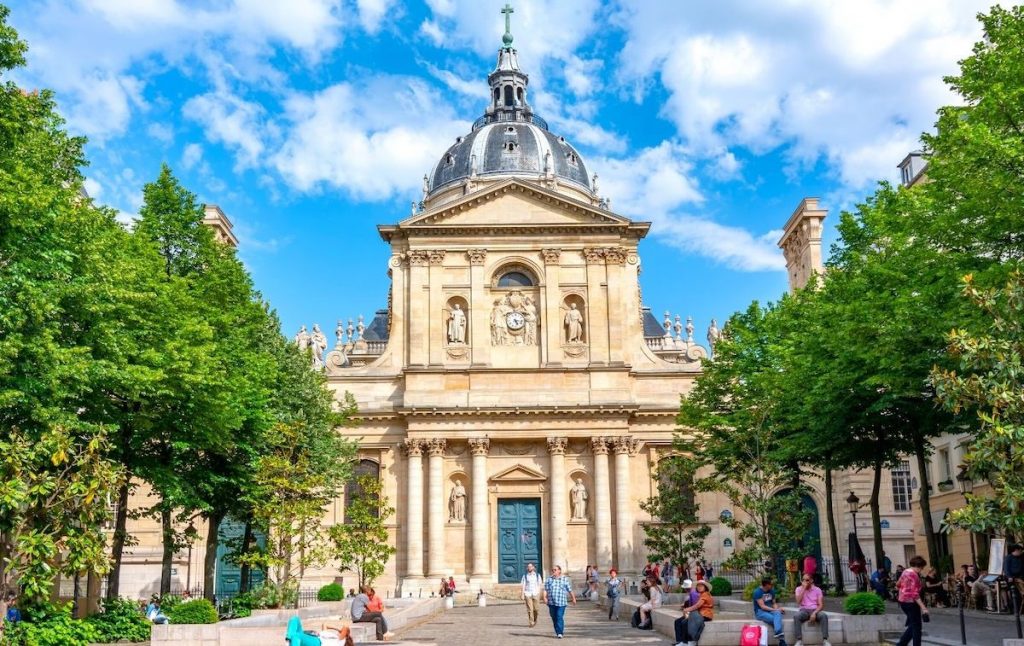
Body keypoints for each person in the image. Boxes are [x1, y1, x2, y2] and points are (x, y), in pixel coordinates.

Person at [896, 555, 928, 646]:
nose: (921, 570)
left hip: (902, 601)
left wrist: (904, 588)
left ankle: (901, 644)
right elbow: (915, 594)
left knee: (913, 625)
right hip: (911, 602)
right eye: (922, 568)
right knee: (916, 627)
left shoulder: (905, 571)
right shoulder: (914, 575)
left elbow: (898, 584)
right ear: (919, 566)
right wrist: (924, 608)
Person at [793, 572, 831, 646]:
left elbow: (821, 605)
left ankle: (825, 640)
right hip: (804, 610)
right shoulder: (798, 589)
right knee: (796, 616)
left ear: (811, 581)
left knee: (823, 616)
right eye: (803, 580)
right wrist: (803, 589)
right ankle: (799, 640)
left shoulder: (817, 590)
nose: (805, 582)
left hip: (815, 610)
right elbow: (798, 601)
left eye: (807, 580)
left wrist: (814, 613)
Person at [674, 579, 714, 646]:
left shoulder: (705, 594)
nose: (699, 587)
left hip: (705, 615)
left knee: (687, 623)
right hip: (700, 614)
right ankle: (684, 642)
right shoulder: (702, 594)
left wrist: (687, 609)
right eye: (698, 586)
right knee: (684, 622)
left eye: (701, 586)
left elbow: (697, 605)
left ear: (705, 587)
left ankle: (691, 641)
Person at [542, 565, 576, 639]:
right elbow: (545, 589)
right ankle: (558, 630)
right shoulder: (549, 579)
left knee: (559, 616)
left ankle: (560, 633)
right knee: (554, 617)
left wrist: (573, 598)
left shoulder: (564, 579)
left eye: (555, 570)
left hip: (561, 602)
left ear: (559, 571)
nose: (553, 571)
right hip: (551, 602)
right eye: (552, 570)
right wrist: (544, 597)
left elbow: (569, 589)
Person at [753, 578, 787, 646]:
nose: (772, 585)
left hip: (770, 610)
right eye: (771, 584)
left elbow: (774, 603)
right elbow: (762, 606)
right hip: (760, 612)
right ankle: (781, 640)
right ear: (766, 585)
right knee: (775, 619)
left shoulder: (772, 591)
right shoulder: (757, 592)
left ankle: (778, 632)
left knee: (778, 614)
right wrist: (776, 610)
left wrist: (777, 609)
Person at [521, 562, 543, 627]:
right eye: (528, 567)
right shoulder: (525, 576)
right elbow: (523, 585)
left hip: (536, 593)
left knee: (536, 609)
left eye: (530, 566)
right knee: (530, 609)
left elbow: (540, 585)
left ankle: (535, 619)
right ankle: (531, 622)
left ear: (533, 567)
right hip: (527, 593)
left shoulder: (537, 575)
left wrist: (540, 593)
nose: (529, 568)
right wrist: (522, 594)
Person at [1005, 544, 1024, 613]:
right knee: (1015, 594)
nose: (1021, 552)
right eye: (1020, 550)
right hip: (1012, 578)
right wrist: (1009, 576)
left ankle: (1019, 609)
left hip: (1020, 578)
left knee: (1019, 594)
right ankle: (1014, 609)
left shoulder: (1021, 557)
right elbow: (1006, 569)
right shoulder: (1008, 558)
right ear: (1016, 550)